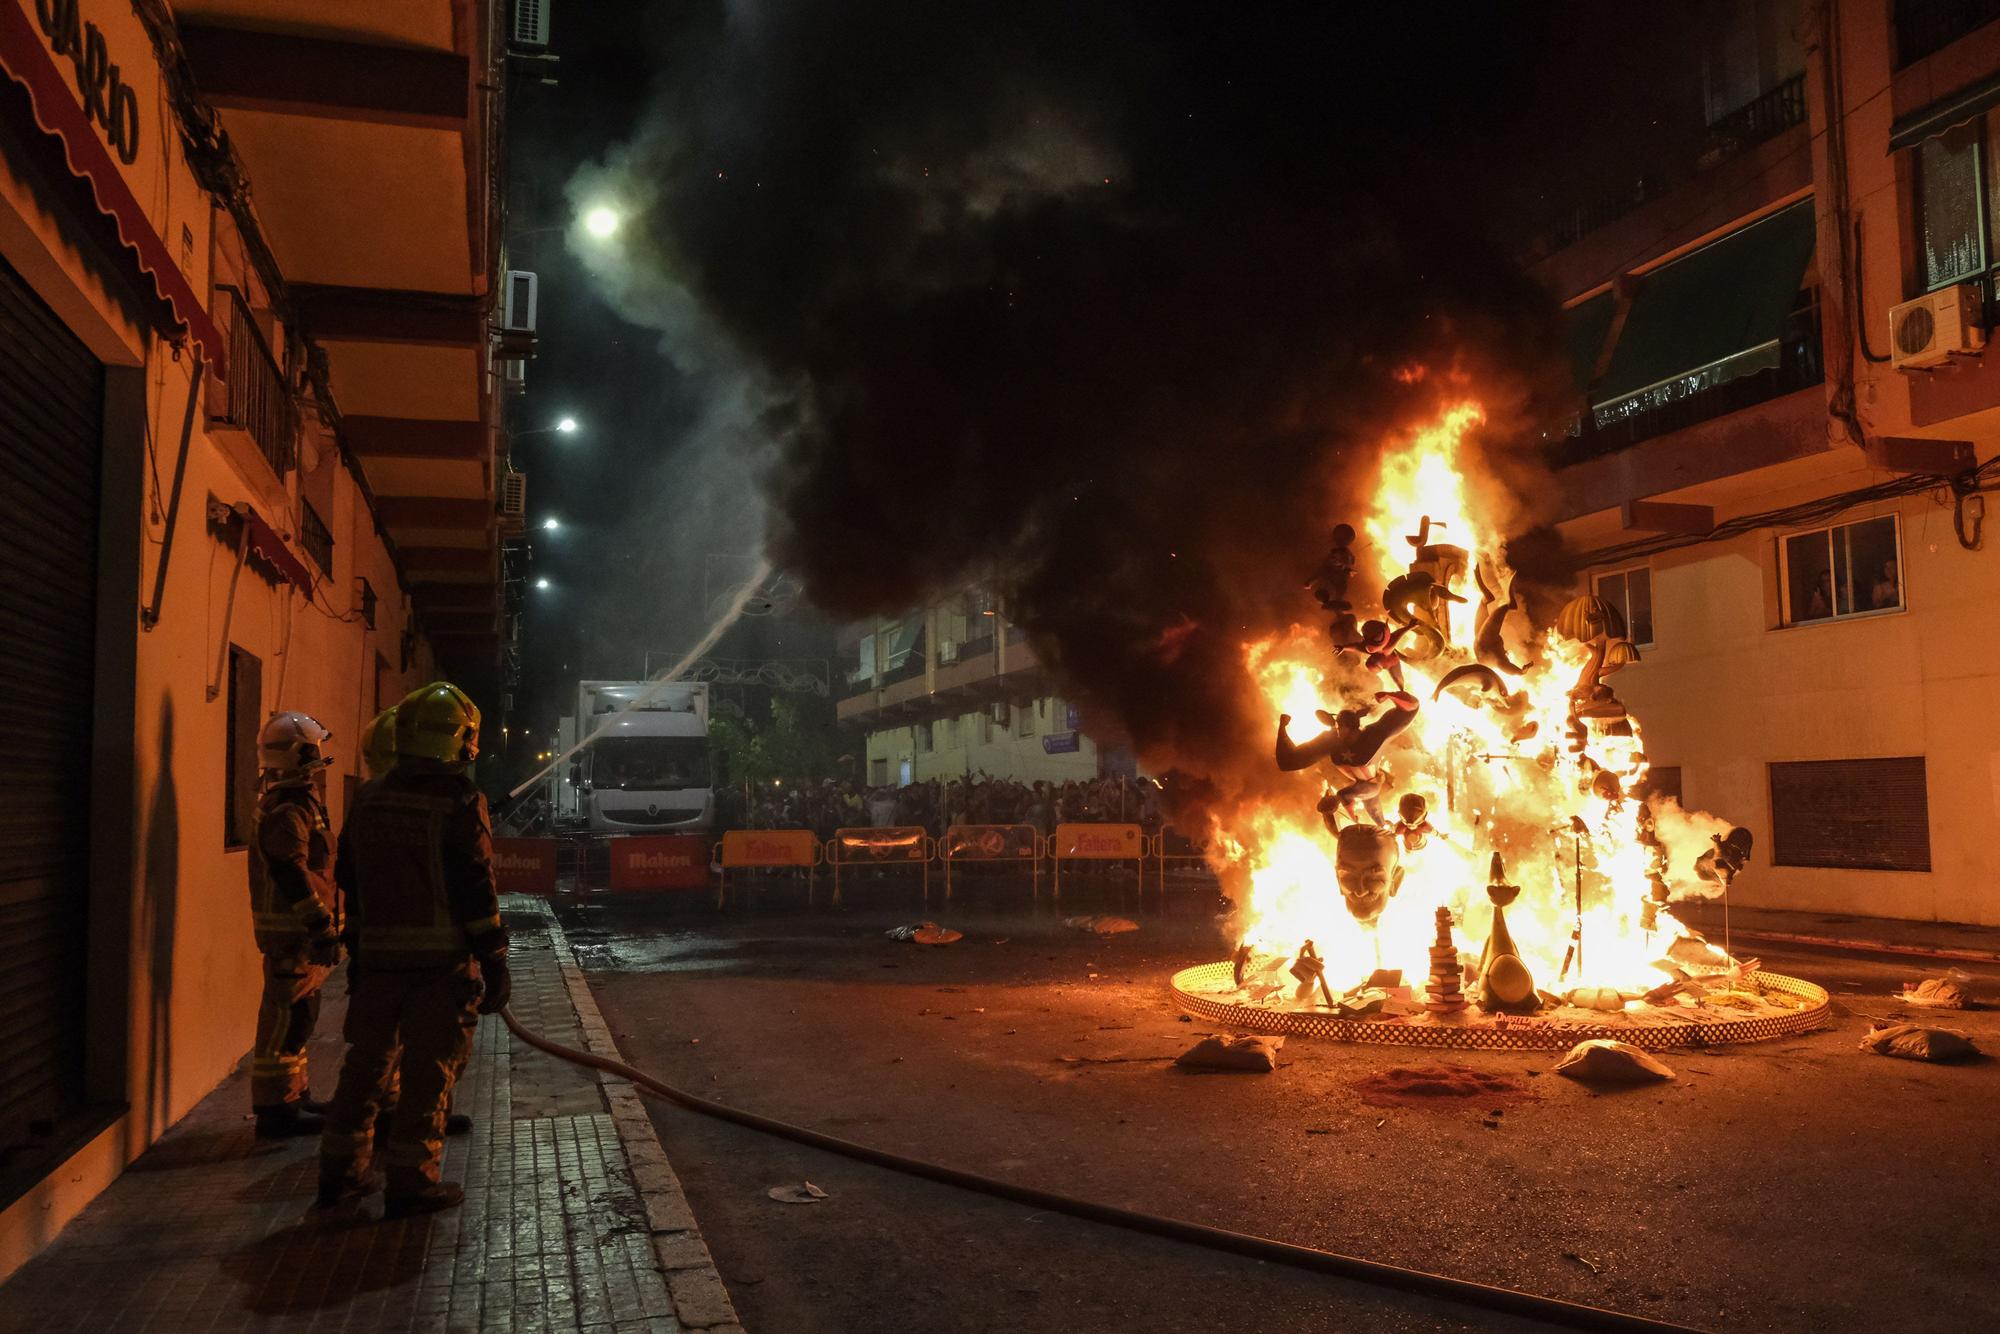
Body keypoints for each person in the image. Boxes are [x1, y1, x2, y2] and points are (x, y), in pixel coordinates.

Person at [318, 682, 509, 1217]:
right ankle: (412, 1182)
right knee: (430, 1074)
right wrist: (495, 961)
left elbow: (348, 882)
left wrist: (358, 954)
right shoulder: (459, 803)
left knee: (364, 1069)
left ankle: (337, 1176)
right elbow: (476, 892)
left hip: (376, 964)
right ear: (460, 741)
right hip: (438, 970)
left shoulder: (369, 798)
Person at [247, 712, 343, 1138]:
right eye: (313, 748)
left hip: (297, 937)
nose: (320, 755)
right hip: (294, 936)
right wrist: (321, 926)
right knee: (287, 1021)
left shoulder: (297, 804)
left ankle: (294, 1096)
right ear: (300, 753)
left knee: (299, 1017)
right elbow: (293, 874)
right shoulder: (288, 811)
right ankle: (276, 1111)